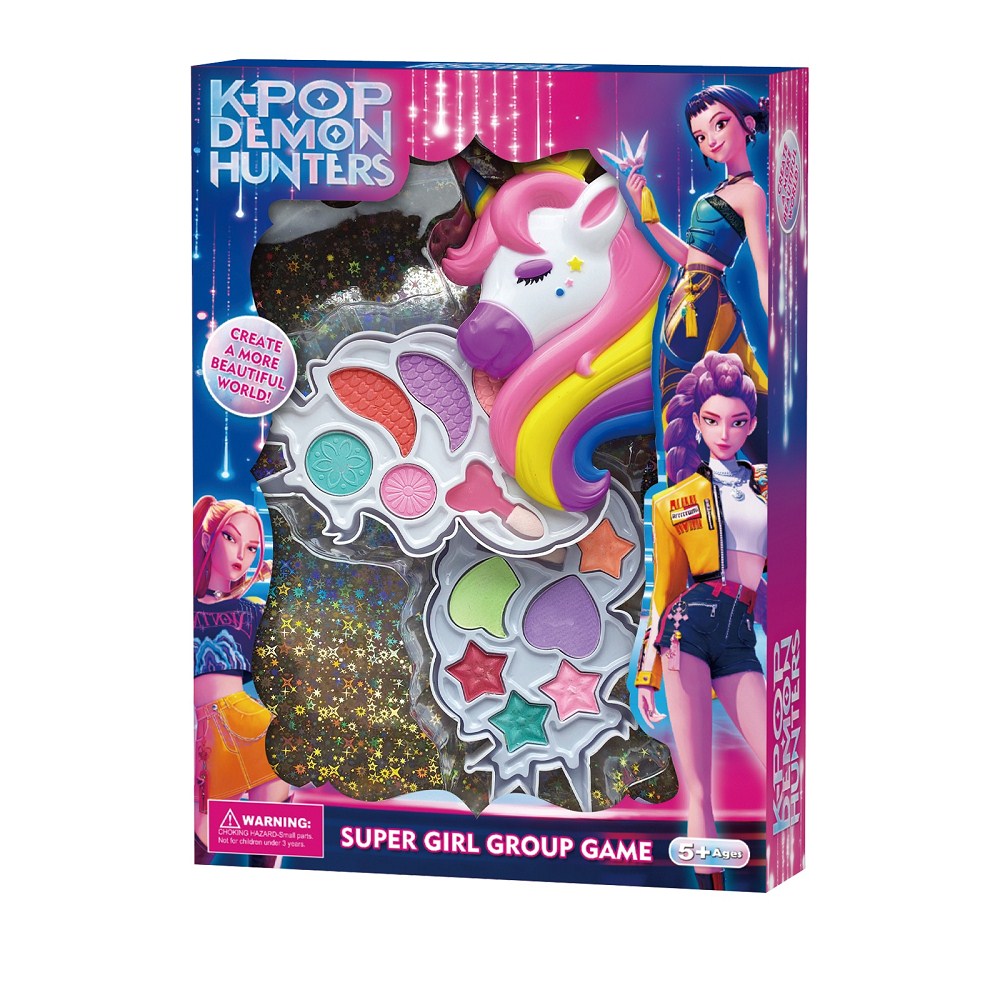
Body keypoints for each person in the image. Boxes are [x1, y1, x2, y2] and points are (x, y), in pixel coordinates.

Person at [634, 353, 766, 889]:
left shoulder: (771, 487)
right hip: (686, 628)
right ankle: (711, 897)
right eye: (712, 420)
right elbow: (662, 592)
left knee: (780, 757)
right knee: (698, 789)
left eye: (737, 421)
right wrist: (646, 674)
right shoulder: (673, 501)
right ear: (696, 423)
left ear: (751, 424)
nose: (725, 433)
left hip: (739, 630)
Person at [623, 85, 770, 459]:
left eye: (719, 125)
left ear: (747, 124)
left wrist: (778, 323)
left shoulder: (750, 193)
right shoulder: (724, 189)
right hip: (689, 293)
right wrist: (645, 211)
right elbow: (689, 256)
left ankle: (694, 472)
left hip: (701, 300)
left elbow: (762, 265)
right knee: (693, 388)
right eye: (701, 136)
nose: (711, 140)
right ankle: (694, 479)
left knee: (681, 390)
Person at [193, 496, 289, 866]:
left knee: (265, 848)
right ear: (207, 538)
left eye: (251, 548)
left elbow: (288, 672)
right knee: (196, 849)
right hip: (206, 738)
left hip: (256, 732)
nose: (240, 555)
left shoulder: (251, 614)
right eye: (231, 538)